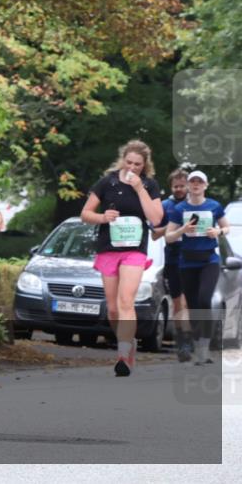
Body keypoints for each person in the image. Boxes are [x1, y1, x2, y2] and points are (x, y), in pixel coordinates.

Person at [80, 139, 163, 377]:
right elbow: (85, 214)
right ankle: (128, 342)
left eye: (138, 164)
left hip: (135, 250)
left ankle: (123, 354)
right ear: (122, 159)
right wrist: (103, 217)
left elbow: (156, 219)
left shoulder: (149, 185)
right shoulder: (107, 181)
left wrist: (139, 188)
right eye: (129, 162)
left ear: (145, 165)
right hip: (109, 248)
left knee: (126, 301)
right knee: (114, 309)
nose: (133, 167)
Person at [164, 170, 230, 365]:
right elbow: (168, 237)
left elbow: (227, 227)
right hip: (186, 262)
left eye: (199, 182)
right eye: (192, 182)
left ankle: (204, 347)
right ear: (188, 186)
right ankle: (198, 342)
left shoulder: (214, 206)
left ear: (205, 186)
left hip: (209, 260)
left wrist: (217, 231)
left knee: (204, 298)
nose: (195, 185)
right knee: (193, 306)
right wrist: (182, 230)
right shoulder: (180, 209)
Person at [151, 168, 191, 361]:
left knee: (190, 302)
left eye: (182, 185)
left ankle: (189, 341)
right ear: (171, 187)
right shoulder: (165, 205)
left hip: (196, 259)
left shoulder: (198, 205)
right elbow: (154, 233)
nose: (179, 189)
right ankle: (183, 343)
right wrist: (175, 226)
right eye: (175, 186)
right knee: (178, 303)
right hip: (174, 259)